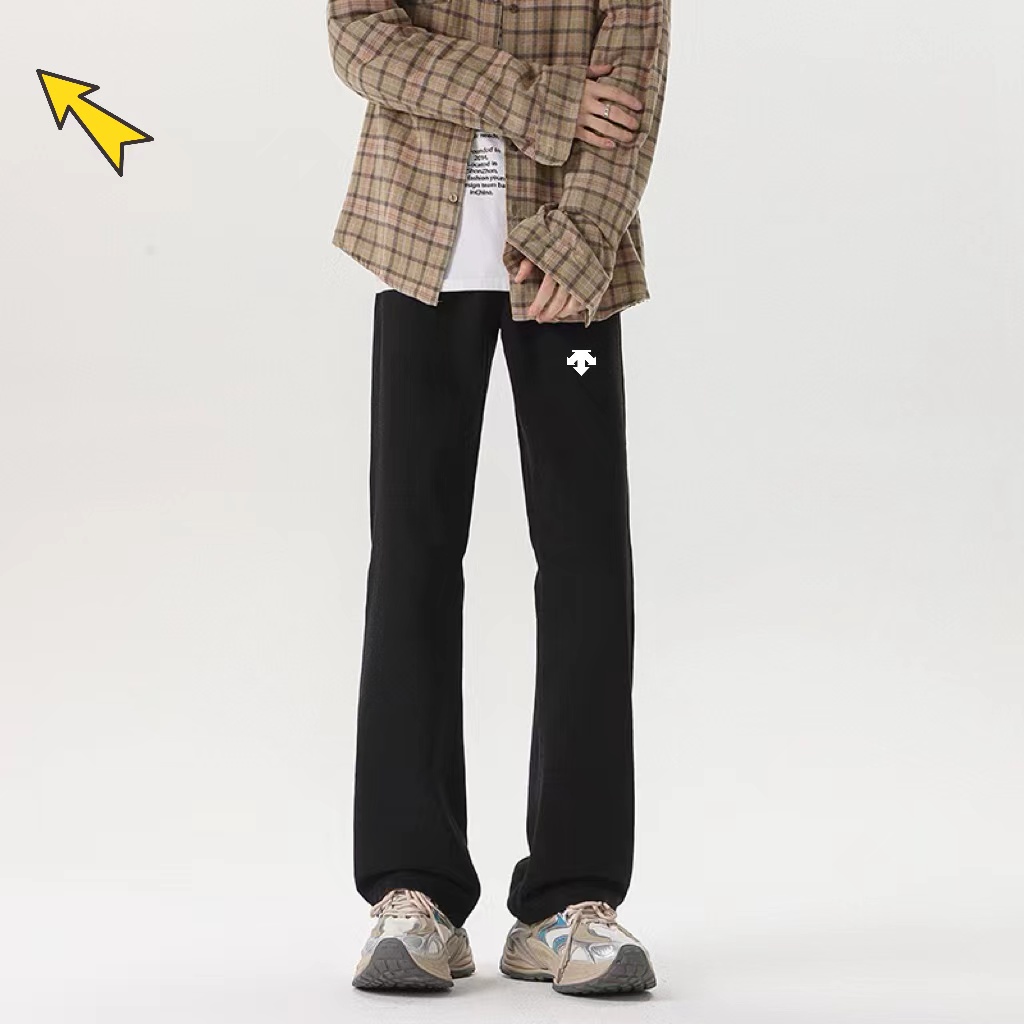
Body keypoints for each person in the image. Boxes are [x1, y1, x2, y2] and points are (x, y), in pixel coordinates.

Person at [326, 0, 670, 996]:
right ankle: (414, 891)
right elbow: (360, 40)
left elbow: (633, 85)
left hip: (565, 268)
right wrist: (544, 100)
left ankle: (570, 899)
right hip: (418, 246)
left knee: (586, 561)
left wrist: (583, 235)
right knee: (413, 558)